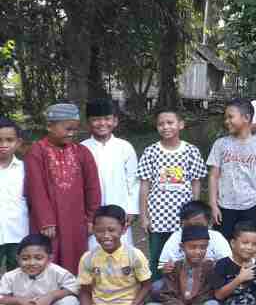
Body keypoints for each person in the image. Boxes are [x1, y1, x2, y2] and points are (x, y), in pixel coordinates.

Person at [25, 103, 102, 272]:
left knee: (76, 259)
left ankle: (73, 294)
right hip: (48, 223)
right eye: (67, 128)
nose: (72, 133)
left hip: (76, 221)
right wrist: (46, 221)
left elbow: (93, 188)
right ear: (49, 126)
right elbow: (35, 189)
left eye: (74, 129)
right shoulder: (36, 152)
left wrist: (91, 219)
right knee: (47, 257)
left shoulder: (82, 152)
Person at [68, 206, 151, 305]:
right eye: (100, 230)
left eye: (112, 230)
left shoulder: (134, 255)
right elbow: (85, 291)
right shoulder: (88, 257)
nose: (106, 236)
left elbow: (146, 286)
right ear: (93, 229)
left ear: (124, 229)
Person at [138, 108, 207, 277]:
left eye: (170, 122)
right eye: (161, 124)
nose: (165, 127)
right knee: (157, 256)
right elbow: (144, 186)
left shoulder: (191, 151)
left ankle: (182, 287)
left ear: (181, 125)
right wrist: (144, 215)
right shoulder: (151, 152)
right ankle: (156, 288)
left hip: (183, 216)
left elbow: (196, 182)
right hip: (158, 216)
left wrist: (195, 213)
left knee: (184, 254)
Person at [140, 225, 221, 305]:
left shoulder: (212, 268)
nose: (198, 252)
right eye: (192, 247)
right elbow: (167, 295)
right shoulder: (174, 267)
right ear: (182, 247)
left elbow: (208, 296)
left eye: (203, 247)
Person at [208, 98, 256, 240]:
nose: (227, 121)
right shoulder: (220, 144)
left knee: (246, 245)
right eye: (225, 118)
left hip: (251, 206)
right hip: (224, 206)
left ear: (246, 118)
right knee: (223, 245)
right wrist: (213, 204)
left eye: (230, 117)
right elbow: (213, 175)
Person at [81, 99, 139, 249]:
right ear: (88, 122)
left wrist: (131, 210)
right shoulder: (82, 148)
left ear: (115, 121)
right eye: (96, 119)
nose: (102, 123)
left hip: (120, 208)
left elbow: (133, 181)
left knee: (122, 252)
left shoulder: (124, 147)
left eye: (107, 119)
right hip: (92, 213)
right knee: (93, 253)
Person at [156, 201, 233, 272]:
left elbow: (227, 264)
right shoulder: (175, 237)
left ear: (209, 223)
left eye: (198, 225)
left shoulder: (216, 237)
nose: (194, 229)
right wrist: (167, 268)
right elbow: (163, 266)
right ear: (181, 223)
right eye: (189, 226)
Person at [0, 117, 29, 275]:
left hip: (18, 232)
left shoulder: (25, 169)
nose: (3, 145)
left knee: (17, 275)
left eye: (9, 140)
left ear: (18, 142)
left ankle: (14, 300)